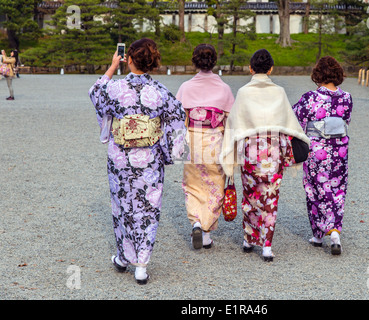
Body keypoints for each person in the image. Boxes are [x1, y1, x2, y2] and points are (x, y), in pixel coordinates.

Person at [89, 38, 187, 285]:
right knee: (147, 208)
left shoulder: (115, 89)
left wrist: (112, 67)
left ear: (128, 59)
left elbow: (95, 93)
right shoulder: (160, 91)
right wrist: (171, 152)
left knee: (122, 205)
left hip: (121, 158)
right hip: (149, 159)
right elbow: (177, 116)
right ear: (152, 62)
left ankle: (124, 256)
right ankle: (141, 264)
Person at [219, 49, 309, 262]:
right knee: (270, 197)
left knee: (250, 194)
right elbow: (289, 123)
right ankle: (267, 245)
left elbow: (234, 123)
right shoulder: (279, 92)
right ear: (271, 69)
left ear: (251, 68)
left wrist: (230, 153)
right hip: (273, 150)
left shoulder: (243, 92)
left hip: (250, 151)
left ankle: (249, 239)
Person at [292, 56, 353, 255]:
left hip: (317, 150)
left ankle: (319, 233)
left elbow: (296, 120)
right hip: (339, 150)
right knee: (337, 189)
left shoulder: (310, 98)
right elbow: (346, 121)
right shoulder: (347, 98)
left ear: (317, 75)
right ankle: (334, 231)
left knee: (315, 189)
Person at [176, 44, 235, 250]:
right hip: (214, 142)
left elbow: (177, 120)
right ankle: (207, 233)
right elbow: (230, 122)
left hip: (192, 140)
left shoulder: (186, 87)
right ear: (214, 62)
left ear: (194, 61)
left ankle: (197, 223)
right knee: (215, 185)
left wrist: (177, 149)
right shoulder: (224, 89)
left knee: (192, 185)